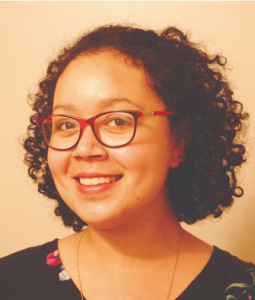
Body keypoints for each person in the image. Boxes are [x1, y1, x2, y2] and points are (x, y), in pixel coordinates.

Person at [0, 24, 254, 300]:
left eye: (117, 120)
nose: (84, 149)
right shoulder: (9, 282)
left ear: (178, 140)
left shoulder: (242, 289)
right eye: (65, 124)